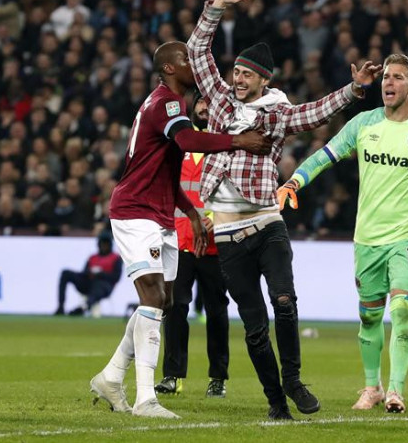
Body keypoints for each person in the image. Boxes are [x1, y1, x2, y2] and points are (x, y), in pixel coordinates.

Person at [187, 0, 383, 420]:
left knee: (285, 303)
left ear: (262, 80)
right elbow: (198, 53)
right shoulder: (217, 103)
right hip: (229, 234)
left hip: (266, 223)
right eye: (234, 71)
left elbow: (313, 113)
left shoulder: (275, 114)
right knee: (255, 328)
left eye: (245, 74)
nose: (236, 79)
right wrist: (217, 5)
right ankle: (277, 404)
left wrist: (354, 91)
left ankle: (293, 380)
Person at [277, 53, 408, 414]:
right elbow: (324, 154)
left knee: (402, 310)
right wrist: (295, 180)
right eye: (386, 76)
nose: (389, 82)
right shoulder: (363, 124)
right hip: (367, 237)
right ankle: (371, 387)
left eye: (398, 77)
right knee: (370, 316)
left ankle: (395, 390)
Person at [89, 40, 271, 419]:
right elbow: (189, 141)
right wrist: (239, 140)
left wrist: (188, 212)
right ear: (170, 68)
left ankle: (111, 376)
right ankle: (145, 400)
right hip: (135, 211)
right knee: (153, 298)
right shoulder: (166, 104)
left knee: (166, 301)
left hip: (161, 213)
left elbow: (165, 172)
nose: (196, 65)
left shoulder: (172, 106)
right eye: (187, 59)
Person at [155, 93, 230, 399]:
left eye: (210, 105)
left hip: (215, 244)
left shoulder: (226, 147)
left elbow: (233, 191)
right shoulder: (180, 145)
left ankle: (218, 378)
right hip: (180, 241)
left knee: (216, 312)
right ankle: (173, 375)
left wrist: (218, 217)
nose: (204, 108)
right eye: (201, 103)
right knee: (175, 308)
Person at [54, 231, 122, 317]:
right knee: (65, 273)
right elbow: (84, 272)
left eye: (106, 243)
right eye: (102, 243)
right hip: (88, 282)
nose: (104, 246)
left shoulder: (116, 258)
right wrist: (90, 271)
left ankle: (84, 307)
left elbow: (116, 277)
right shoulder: (92, 257)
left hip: (105, 285)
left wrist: (101, 274)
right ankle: (61, 307)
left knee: (99, 285)